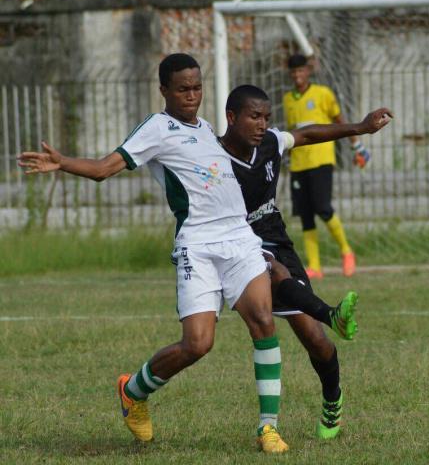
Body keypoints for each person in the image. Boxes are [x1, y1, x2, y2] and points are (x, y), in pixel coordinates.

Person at [17, 54, 289, 453]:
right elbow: (103, 168)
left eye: (197, 87)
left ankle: (268, 428)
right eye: (182, 89)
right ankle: (133, 391)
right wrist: (63, 163)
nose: (192, 95)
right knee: (197, 345)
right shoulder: (157, 129)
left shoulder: (207, 128)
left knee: (263, 320)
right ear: (164, 90)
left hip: (239, 239)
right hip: (198, 244)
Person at [220, 84, 392, 438]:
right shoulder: (212, 156)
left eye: (267, 117)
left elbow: (308, 134)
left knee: (316, 339)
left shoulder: (269, 143)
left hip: (276, 237)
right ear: (231, 117)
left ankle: (333, 398)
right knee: (271, 269)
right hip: (236, 243)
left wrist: (359, 128)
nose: (262, 124)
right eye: (254, 116)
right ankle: (331, 313)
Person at [283, 53, 372, 280]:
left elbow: (340, 120)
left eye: (301, 70)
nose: (297, 75)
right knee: (305, 214)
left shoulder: (323, 94)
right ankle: (314, 266)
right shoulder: (288, 99)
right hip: (298, 163)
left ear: (308, 71)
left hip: (321, 161)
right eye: (294, 72)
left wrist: (357, 147)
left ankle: (346, 250)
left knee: (323, 208)